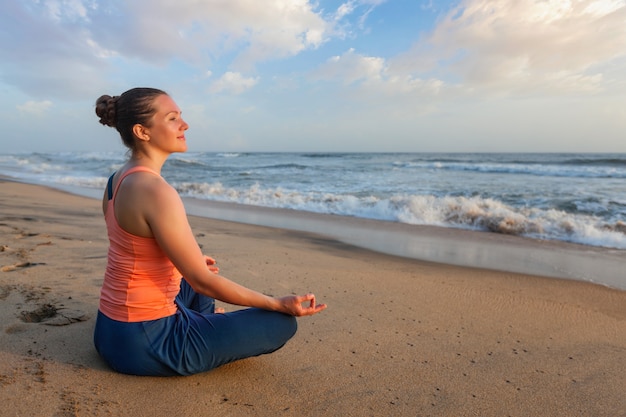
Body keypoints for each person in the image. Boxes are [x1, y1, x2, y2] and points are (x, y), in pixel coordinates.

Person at [93, 87, 326, 376]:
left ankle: (202, 322)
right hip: (146, 343)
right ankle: (202, 328)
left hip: (108, 330)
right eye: (172, 118)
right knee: (280, 322)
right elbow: (203, 283)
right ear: (142, 131)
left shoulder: (116, 180)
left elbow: (132, 249)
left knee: (191, 277)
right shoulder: (155, 191)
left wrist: (182, 266)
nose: (184, 124)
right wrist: (276, 303)